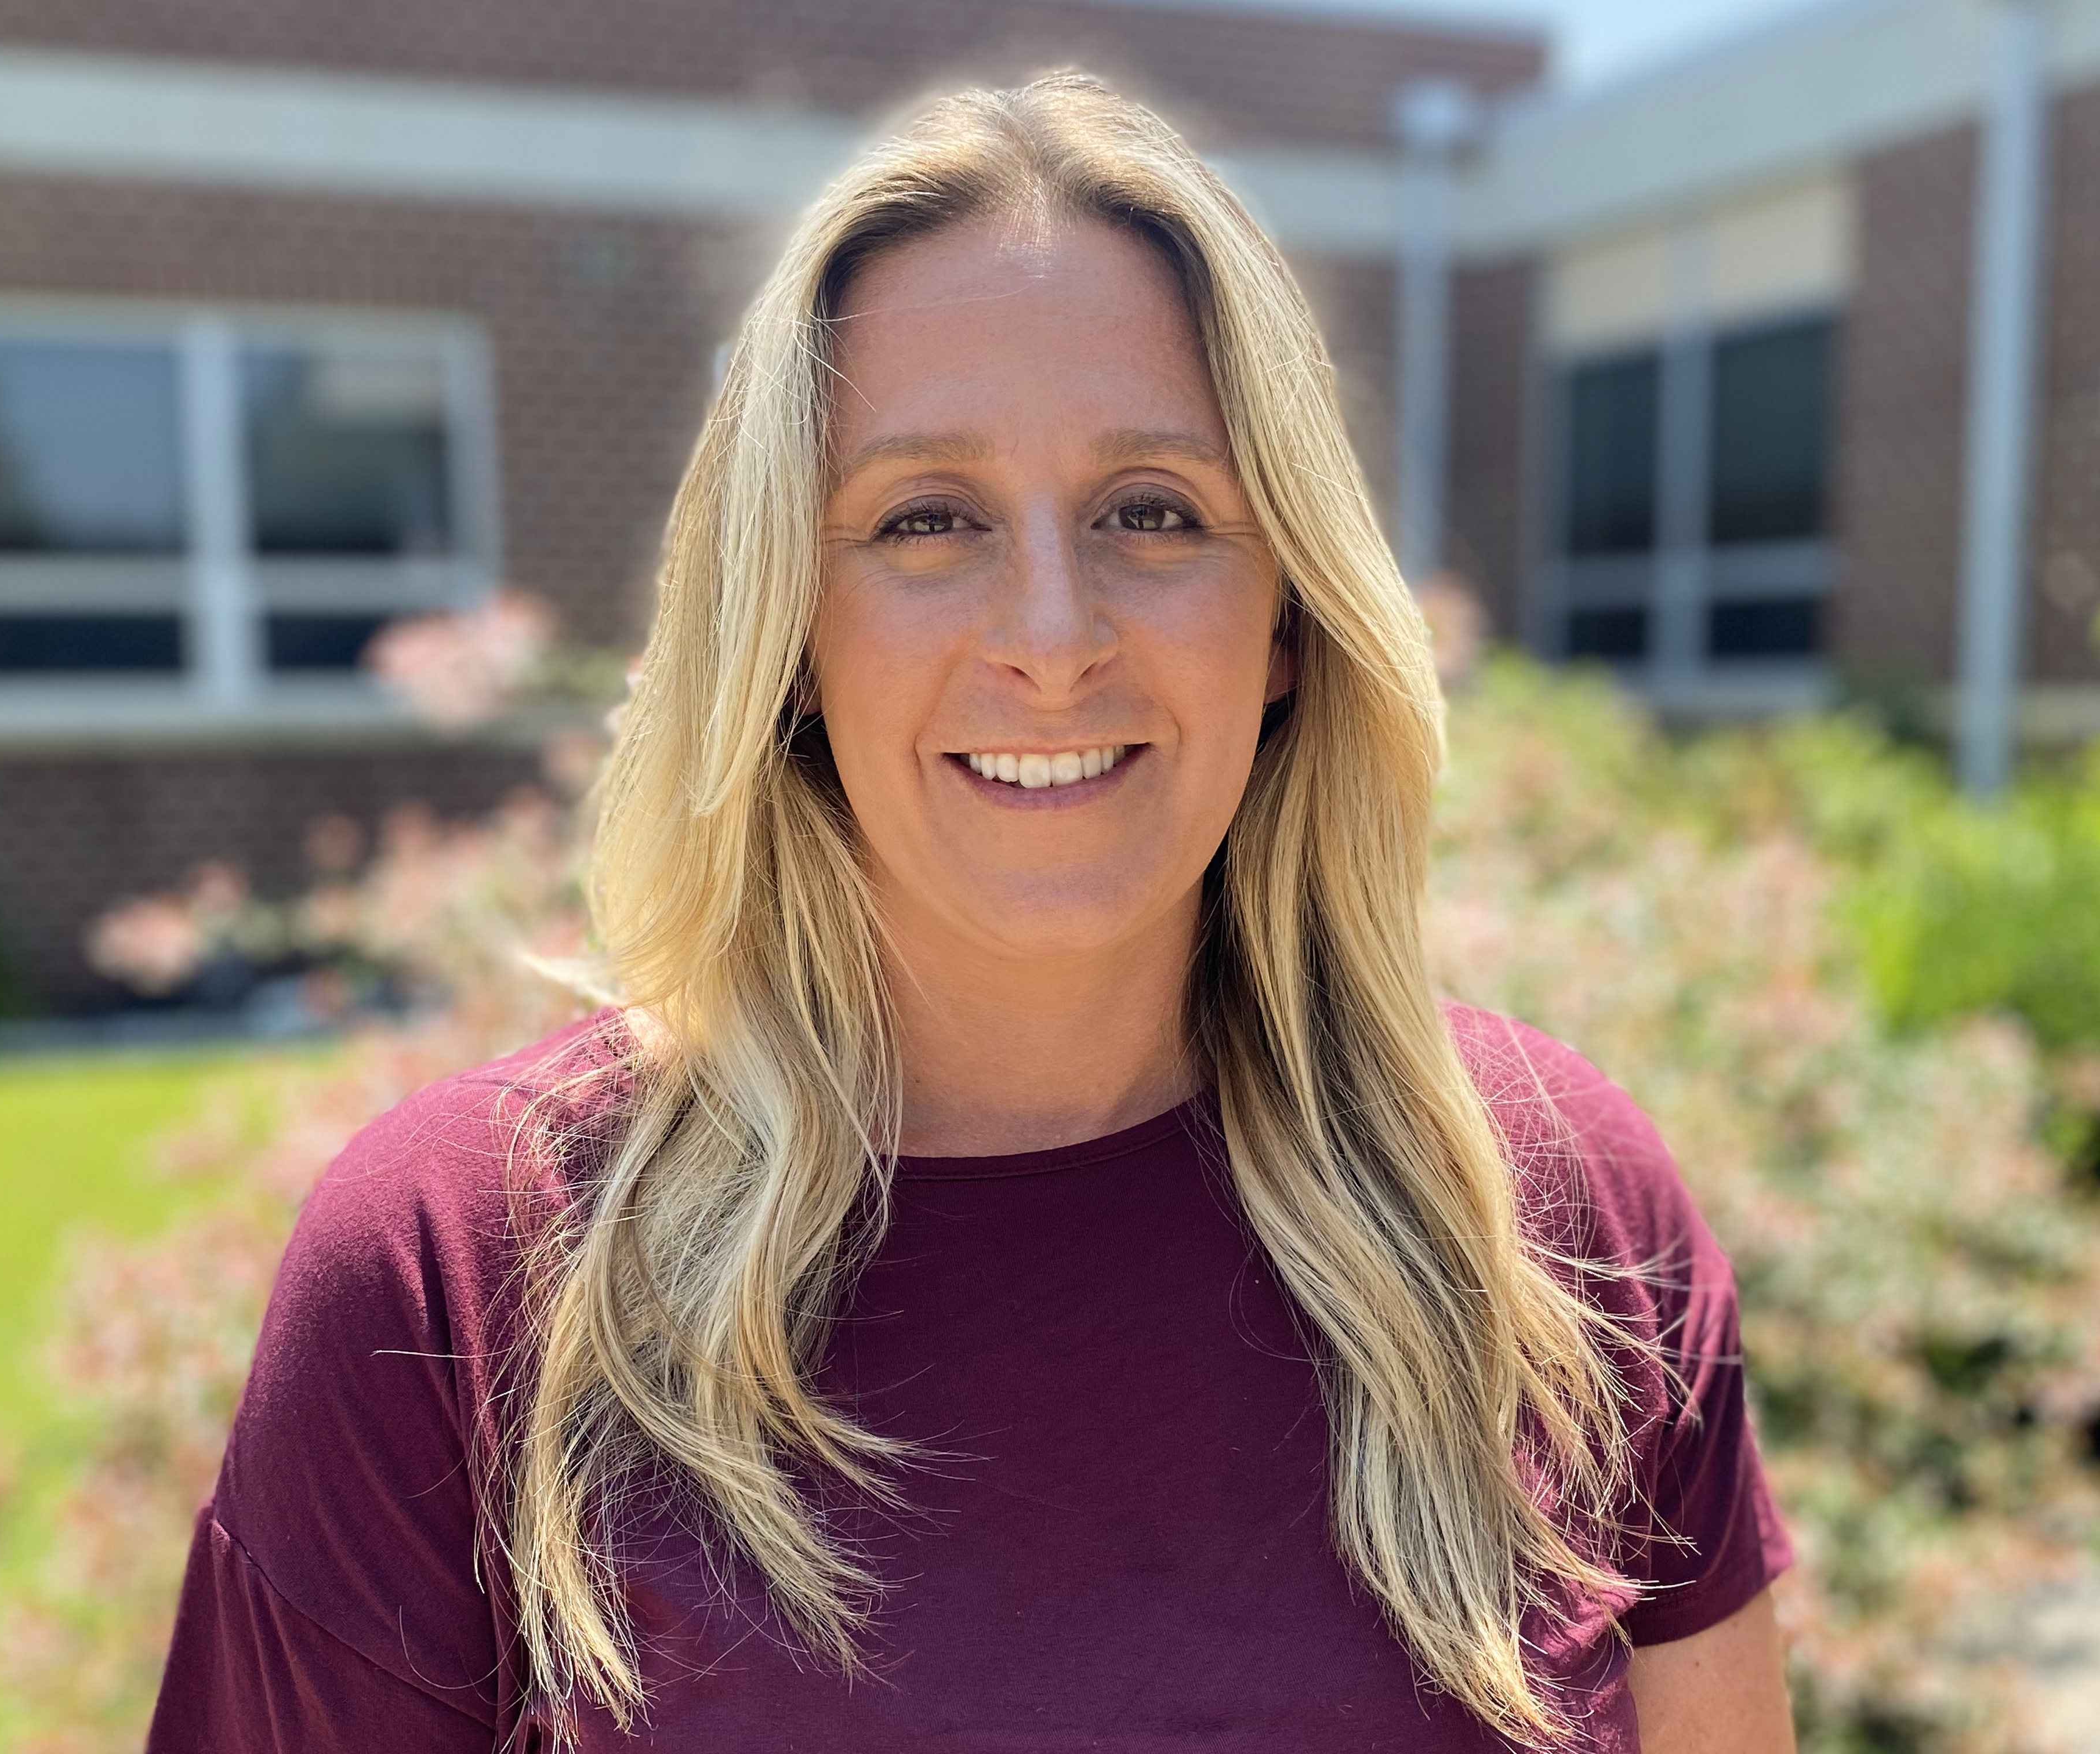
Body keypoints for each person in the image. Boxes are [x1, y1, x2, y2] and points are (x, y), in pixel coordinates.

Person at [148, 75, 1795, 1753]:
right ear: (787, 628)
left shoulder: (1559, 1217)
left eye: (1153, 511)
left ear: (1288, 619)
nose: (1054, 631)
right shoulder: (452, 1279)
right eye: (926, 521)